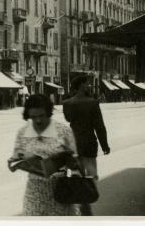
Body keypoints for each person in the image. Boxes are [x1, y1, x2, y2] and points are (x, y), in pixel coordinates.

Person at [8, 94, 81, 216]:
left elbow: (77, 160)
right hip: (34, 193)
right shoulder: (22, 132)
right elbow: (14, 159)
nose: (38, 120)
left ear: (49, 113)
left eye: (42, 116)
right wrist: (15, 163)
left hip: (61, 191)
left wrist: (72, 164)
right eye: (33, 117)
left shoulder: (63, 131)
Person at [62, 75, 110, 215]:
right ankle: (86, 202)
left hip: (74, 144)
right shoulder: (93, 103)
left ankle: (81, 203)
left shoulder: (67, 103)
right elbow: (99, 126)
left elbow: (68, 118)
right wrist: (105, 145)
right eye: (87, 84)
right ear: (82, 85)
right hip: (89, 143)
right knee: (91, 176)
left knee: (77, 174)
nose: (89, 86)